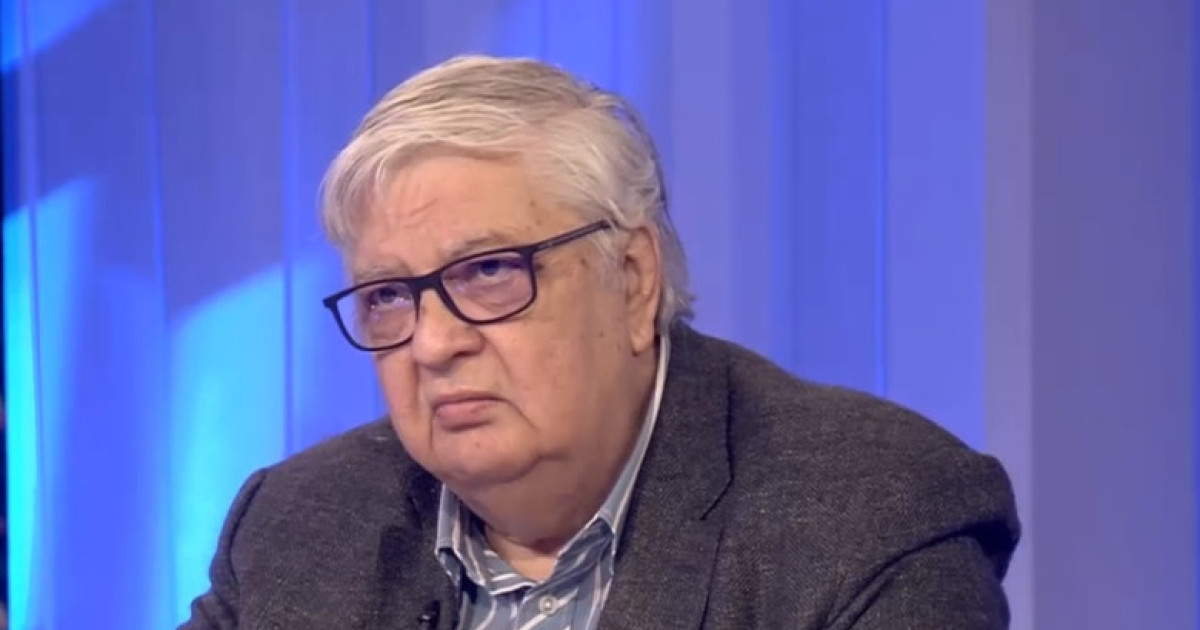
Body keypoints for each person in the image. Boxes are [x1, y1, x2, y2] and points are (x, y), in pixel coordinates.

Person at [181, 55, 1019, 630]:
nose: (432, 345)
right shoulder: (295, 526)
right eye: (389, 295)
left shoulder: (867, 520)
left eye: (489, 272)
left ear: (634, 278)